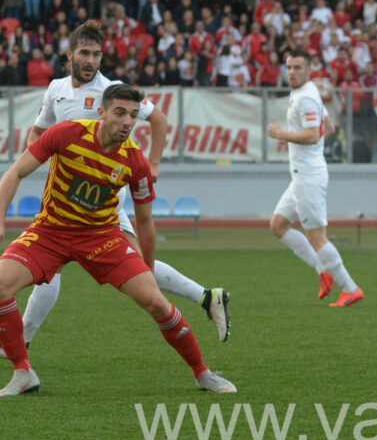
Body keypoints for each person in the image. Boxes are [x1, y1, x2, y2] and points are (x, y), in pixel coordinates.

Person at [0, 23, 230, 363]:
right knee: (82, 268)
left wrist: (153, 163)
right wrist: (33, 156)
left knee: (109, 269)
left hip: (103, 202)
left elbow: (159, 119)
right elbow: (40, 128)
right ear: (71, 54)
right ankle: (207, 296)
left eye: (96, 54)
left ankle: (23, 343)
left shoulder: (112, 91)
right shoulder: (56, 89)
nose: (91, 60)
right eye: (85, 53)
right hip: (67, 198)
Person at [267, 50, 363, 308]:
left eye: (298, 67)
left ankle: (350, 288)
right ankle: (323, 270)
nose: (292, 72)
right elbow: (328, 128)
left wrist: (281, 133)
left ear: (308, 70)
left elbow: (312, 135)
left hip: (308, 176)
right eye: (289, 67)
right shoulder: (307, 93)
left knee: (317, 236)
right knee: (278, 225)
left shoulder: (306, 98)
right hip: (302, 174)